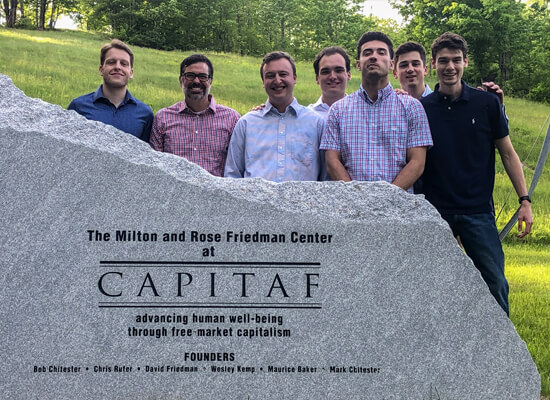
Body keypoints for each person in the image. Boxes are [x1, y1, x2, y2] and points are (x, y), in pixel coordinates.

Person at [420, 32, 533, 315]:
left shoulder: (487, 104)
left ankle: (501, 352)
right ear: (433, 64)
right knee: (434, 287)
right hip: (435, 213)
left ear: (465, 62)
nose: (450, 67)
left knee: (495, 283)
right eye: (443, 61)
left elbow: (508, 153)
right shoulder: (422, 109)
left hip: (478, 212)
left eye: (456, 60)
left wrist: (525, 200)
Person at [320, 32, 432, 192]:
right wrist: (356, 197)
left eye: (381, 52)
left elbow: (417, 162)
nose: (374, 57)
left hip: (398, 207)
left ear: (391, 64)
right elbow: (332, 162)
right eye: (367, 53)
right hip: (351, 207)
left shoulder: (412, 107)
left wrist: (387, 198)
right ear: (358, 64)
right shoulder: (338, 110)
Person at [224, 51, 325, 182]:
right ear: (263, 81)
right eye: (270, 76)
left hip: (303, 203)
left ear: (294, 78)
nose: (277, 80)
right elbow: (232, 176)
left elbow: (326, 178)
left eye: (283, 74)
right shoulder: (246, 124)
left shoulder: (316, 123)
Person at [149, 54, 240, 177]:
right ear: (181, 80)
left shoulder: (231, 119)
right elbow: (154, 167)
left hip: (214, 194)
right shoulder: (163, 118)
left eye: (203, 77)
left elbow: (238, 166)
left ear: (210, 81)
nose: (196, 81)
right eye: (190, 76)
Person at [68, 39, 153, 142]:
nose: (117, 67)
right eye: (111, 62)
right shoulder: (78, 107)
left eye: (124, 63)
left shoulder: (145, 113)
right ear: (101, 69)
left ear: (131, 73)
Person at [308, 46, 352, 118]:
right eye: (326, 72)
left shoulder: (362, 114)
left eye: (338, 70)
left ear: (348, 75)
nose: (332, 77)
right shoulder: (306, 117)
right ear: (317, 78)